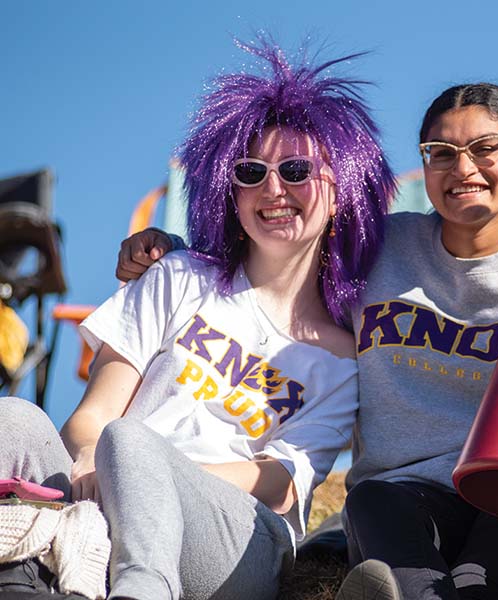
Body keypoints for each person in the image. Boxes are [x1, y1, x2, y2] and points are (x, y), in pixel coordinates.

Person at [117, 82, 498, 600]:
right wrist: (169, 251)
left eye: (486, 149)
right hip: (403, 496)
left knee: (492, 562)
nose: (463, 168)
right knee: (371, 503)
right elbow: (280, 247)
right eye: (441, 153)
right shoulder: (378, 246)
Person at [0, 37, 392, 600]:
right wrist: (100, 460)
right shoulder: (178, 276)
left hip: (236, 538)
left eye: (297, 169)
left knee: (133, 444)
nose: (273, 188)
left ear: (340, 190)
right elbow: (92, 418)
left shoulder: (345, 358)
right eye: (251, 171)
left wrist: (139, 472)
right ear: (229, 191)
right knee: (14, 419)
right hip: (112, 479)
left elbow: (280, 486)